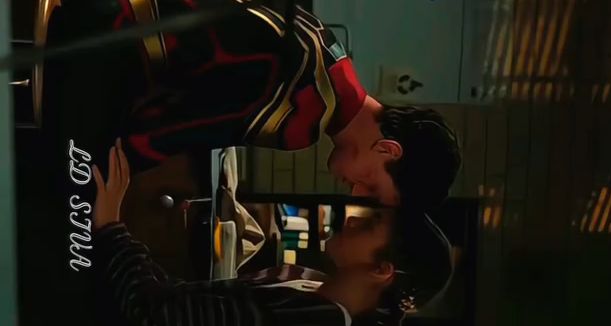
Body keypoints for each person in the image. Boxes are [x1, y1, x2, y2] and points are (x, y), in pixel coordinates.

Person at [86, 139, 452, 326]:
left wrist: (111, 227)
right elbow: (179, 302)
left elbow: (159, 319)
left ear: (381, 270)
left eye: (370, 225)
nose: (353, 220)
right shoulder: (309, 284)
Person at [41, 0, 462, 209]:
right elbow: (171, 132)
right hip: (101, 49)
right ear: (388, 150)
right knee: (78, 220)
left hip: (110, 20)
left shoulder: (332, 55)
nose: (353, 189)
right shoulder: (304, 115)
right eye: (370, 186)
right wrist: (111, 189)